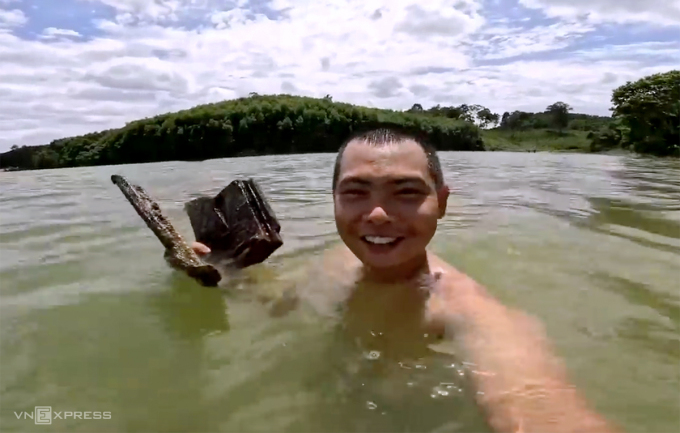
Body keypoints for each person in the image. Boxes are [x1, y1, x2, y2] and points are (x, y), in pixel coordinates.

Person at [191, 127, 621, 433]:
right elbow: (278, 303)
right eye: (356, 192)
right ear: (335, 201)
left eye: (407, 192)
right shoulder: (336, 261)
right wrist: (219, 271)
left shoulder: (466, 311)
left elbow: (538, 402)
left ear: (443, 202)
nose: (377, 215)